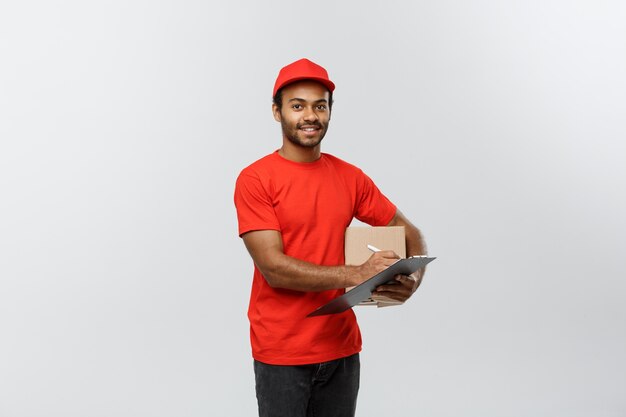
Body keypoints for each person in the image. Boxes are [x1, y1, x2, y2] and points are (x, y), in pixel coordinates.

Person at [234, 58, 428, 417]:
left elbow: (409, 231)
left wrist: (412, 278)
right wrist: (357, 274)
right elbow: (274, 268)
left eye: (319, 106)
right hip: (282, 352)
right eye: (297, 106)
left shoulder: (350, 177)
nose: (310, 115)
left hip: (341, 348)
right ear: (277, 113)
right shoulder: (256, 179)